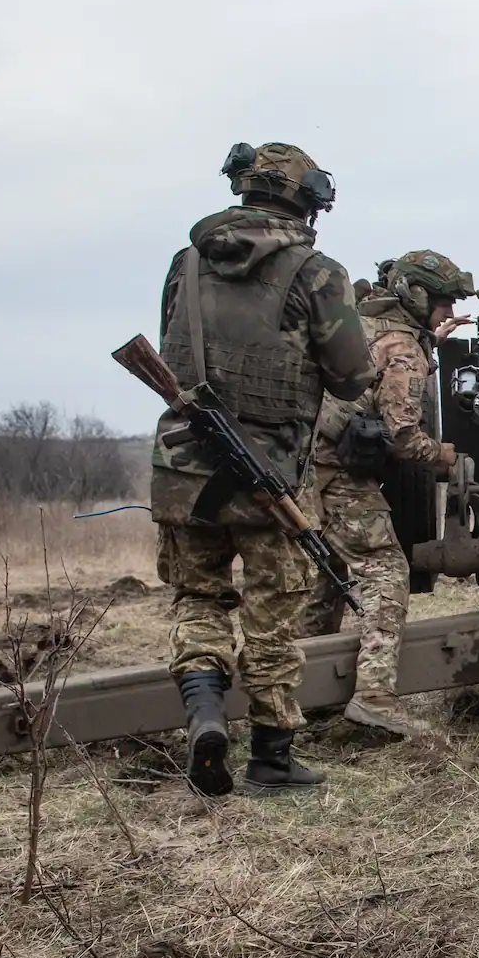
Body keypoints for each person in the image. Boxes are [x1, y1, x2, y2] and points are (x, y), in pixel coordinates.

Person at [153, 143, 375, 796]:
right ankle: (272, 757)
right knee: (274, 612)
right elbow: (352, 374)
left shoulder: (185, 263)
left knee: (199, 599)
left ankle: (206, 713)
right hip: (268, 476)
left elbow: (173, 350)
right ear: (308, 201)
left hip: (184, 468)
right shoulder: (318, 273)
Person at [297, 250, 472, 737]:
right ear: (417, 298)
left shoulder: (365, 324)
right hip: (340, 476)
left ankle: (299, 693)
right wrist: (445, 456)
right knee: (387, 571)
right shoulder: (403, 348)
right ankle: (374, 696)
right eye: (442, 303)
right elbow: (402, 437)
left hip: (307, 469)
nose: (446, 311)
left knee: (329, 576)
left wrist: (428, 345)